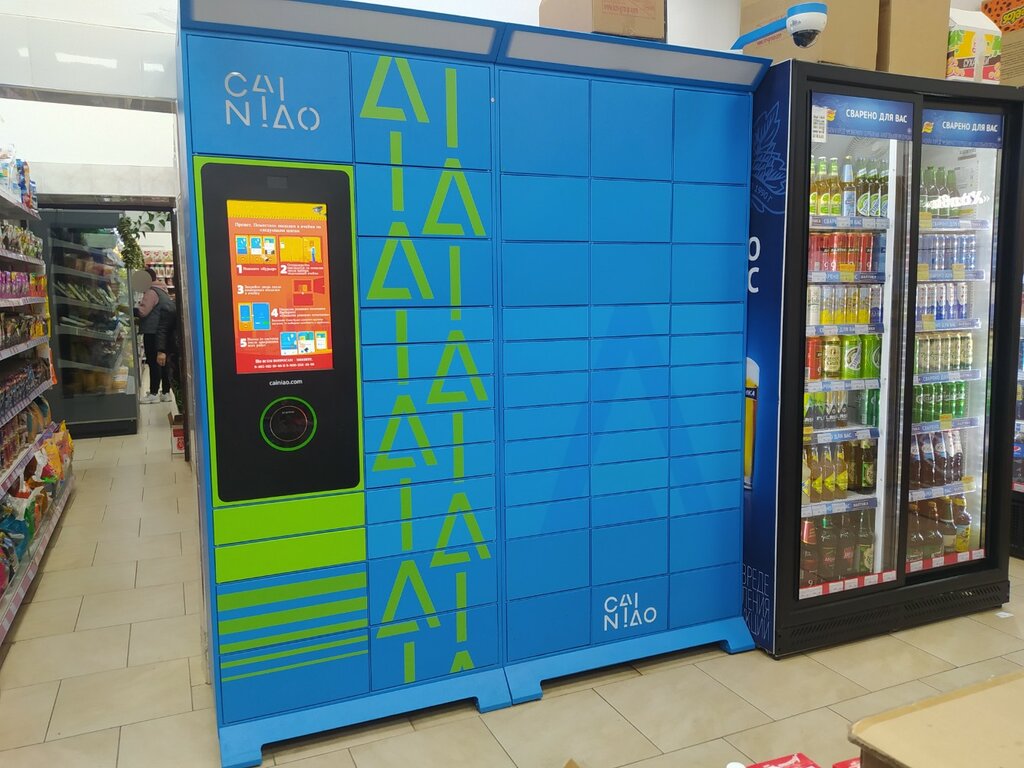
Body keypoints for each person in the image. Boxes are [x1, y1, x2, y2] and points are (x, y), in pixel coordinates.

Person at [134, 267, 175, 403]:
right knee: (163, 363)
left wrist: (130, 310)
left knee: (153, 363)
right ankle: (165, 392)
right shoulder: (162, 289)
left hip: (153, 332)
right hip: (163, 332)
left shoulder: (151, 292)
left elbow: (143, 312)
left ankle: (153, 393)